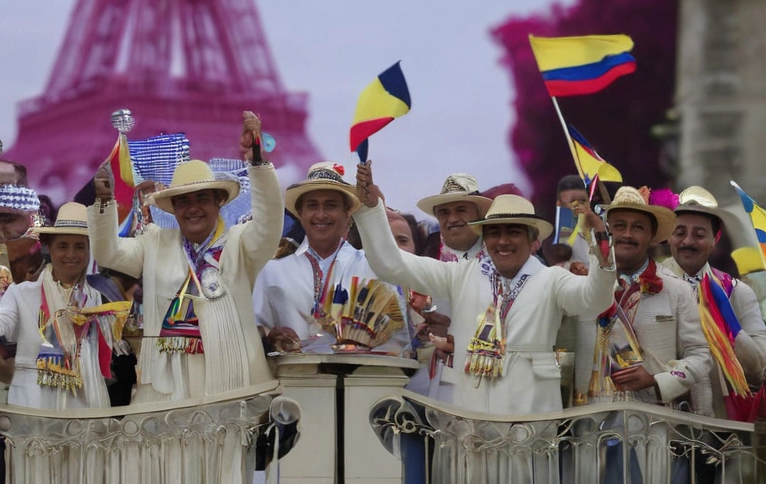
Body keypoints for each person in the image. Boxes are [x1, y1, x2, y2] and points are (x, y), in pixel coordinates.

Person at [354, 162, 616, 414]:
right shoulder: (460, 274)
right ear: (484, 237)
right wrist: (372, 209)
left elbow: (594, 300)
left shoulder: (552, 280)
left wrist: (602, 250)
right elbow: (392, 265)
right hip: (473, 422)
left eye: (513, 232)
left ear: (532, 239)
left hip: (531, 422)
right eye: (494, 232)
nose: (502, 241)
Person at [90, 111, 283, 403]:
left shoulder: (241, 243)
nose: (192, 208)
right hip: (166, 386)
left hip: (232, 382)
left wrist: (256, 161)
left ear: (219, 201)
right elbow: (108, 252)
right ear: (173, 208)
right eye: (184, 201)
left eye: (202, 198)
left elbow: (269, 223)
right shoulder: (154, 243)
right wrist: (105, 204)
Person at [570, 186, 711, 411]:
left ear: (651, 236)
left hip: (654, 422)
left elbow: (701, 356)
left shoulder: (677, 290)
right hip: (591, 418)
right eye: (619, 226)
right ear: (608, 231)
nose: (627, 234)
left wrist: (659, 379)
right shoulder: (582, 285)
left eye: (637, 227)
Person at [254, 162, 409, 356]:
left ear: (347, 214)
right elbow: (253, 338)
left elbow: (399, 342)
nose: (321, 214)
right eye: (312, 205)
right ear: (300, 214)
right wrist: (269, 339)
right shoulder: (271, 272)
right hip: (293, 381)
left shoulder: (373, 269)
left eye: (331, 205)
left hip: (363, 381)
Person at [0, 203, 128, 409]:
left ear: (89, 249)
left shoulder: (95, 298)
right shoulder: (21, 293)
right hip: (35, 404)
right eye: (63, 246)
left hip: (84, 402)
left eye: (79, 246)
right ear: (50, 247)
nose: (71, 255)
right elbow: (2, 329)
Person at [661, 185, 766, 419]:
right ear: (669, 235)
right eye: (680, 232)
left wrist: (729, 325)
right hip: (661, 424)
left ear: (715, 239)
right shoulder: (650, 286)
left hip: (723, 429)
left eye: (699, 235)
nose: (688, 241)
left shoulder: (736, 292)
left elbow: (758, 369)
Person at [407, 174, 494, 401]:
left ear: (479, 215)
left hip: (492, 377)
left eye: (461, 210)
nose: (452, 218)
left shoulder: (501, 258)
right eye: (444, 212)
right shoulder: (426, 258)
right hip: (438, 382)